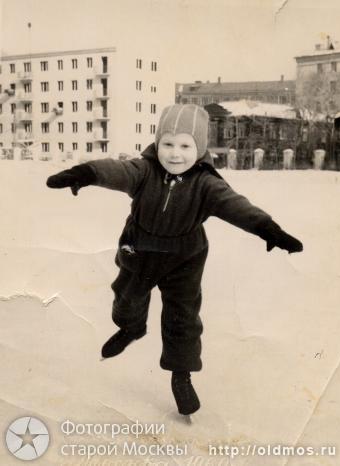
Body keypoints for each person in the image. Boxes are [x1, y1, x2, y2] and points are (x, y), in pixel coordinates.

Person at [46, 104, 302, 415]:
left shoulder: (207, 184)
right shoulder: (144, 171)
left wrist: (267, 228)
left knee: (183, 316)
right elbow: (117, 170)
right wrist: (86, 173)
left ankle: (182, 375)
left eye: (185, 145)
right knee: (127, 298)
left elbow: (236, 206)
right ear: (157, 144)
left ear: (200, 148)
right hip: (139, 249)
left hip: (185, 257)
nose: (175, 154)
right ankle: (131, 327)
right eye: (167, 143)